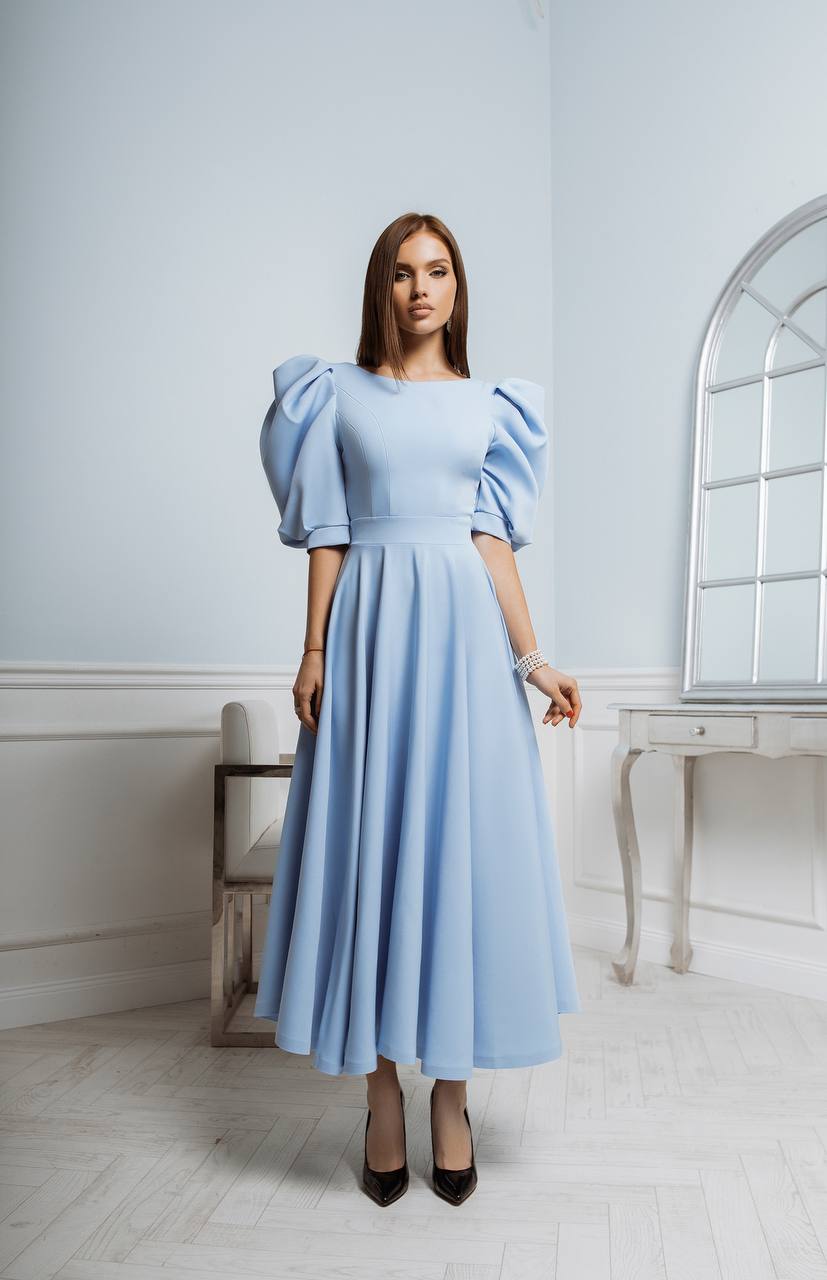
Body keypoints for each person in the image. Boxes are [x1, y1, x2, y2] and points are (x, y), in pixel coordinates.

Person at [254, 212, 582, 1207]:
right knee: (371, 855)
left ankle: (452, 1093)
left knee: (454, 857)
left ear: (456, 286)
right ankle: (379, 1092)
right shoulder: (333, 395)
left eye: (436, 270)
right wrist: (312, 651)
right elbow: (327, 533)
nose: (419, 288)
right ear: (381, 288)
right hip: (366, 642)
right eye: (401, 273)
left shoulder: (492, 403)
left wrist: (532, 660)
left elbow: (492, 543)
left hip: (464, 652)